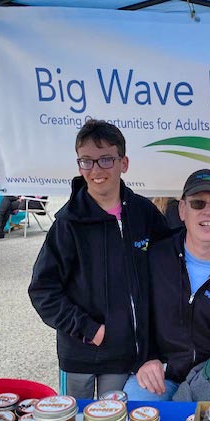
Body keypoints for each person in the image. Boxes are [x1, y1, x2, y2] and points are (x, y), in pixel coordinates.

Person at [28, 119, 171, 398]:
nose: (95, 170)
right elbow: (42, 290)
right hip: (80, 354)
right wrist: (88, 329)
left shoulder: (143, 213)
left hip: (124, 355)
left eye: (106, 160)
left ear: (123, 162)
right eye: (87, 161)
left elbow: (175, 254)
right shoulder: (67, 223)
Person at [125, 169, 210, 402]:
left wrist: (199, 385)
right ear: (182, 210)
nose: (208, 211)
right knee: (134, 417)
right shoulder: (155, 258)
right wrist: (145, 359)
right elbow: (134, 317)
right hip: (160, 376)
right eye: (198, 203)